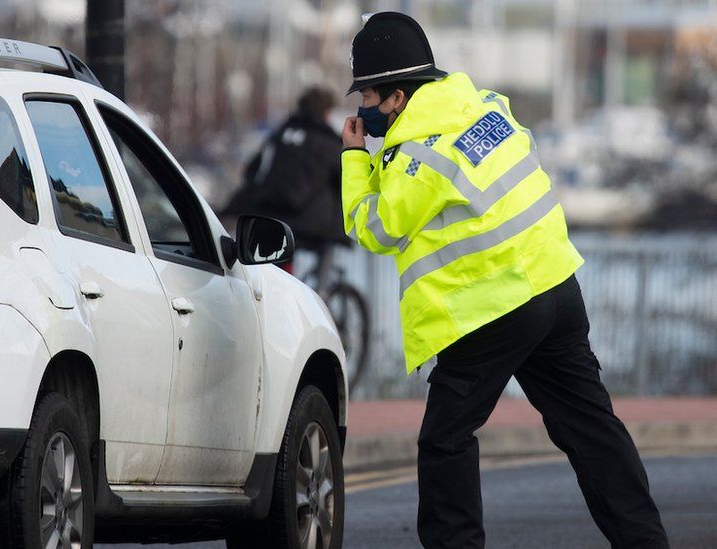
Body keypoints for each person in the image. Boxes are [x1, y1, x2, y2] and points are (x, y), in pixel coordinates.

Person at [340, 12, 669, 549]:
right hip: (556, 286)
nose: (364, 110)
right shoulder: (486, 106)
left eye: (369, 98)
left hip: (494, 307)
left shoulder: (418, 153)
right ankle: (646, 542)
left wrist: (356, 159)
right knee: (591, 429)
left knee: (445, 441)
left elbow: (374, 227)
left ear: (397, 97)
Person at [223, 86, 346, 285]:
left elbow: (253, 170)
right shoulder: (328, 142)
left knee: (281, 255)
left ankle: (284, 283)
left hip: (269, 215)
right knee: (328, 246)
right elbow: (343, 179)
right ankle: (322, 294)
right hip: (310, 226)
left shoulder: (279, 135)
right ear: (325, 112)